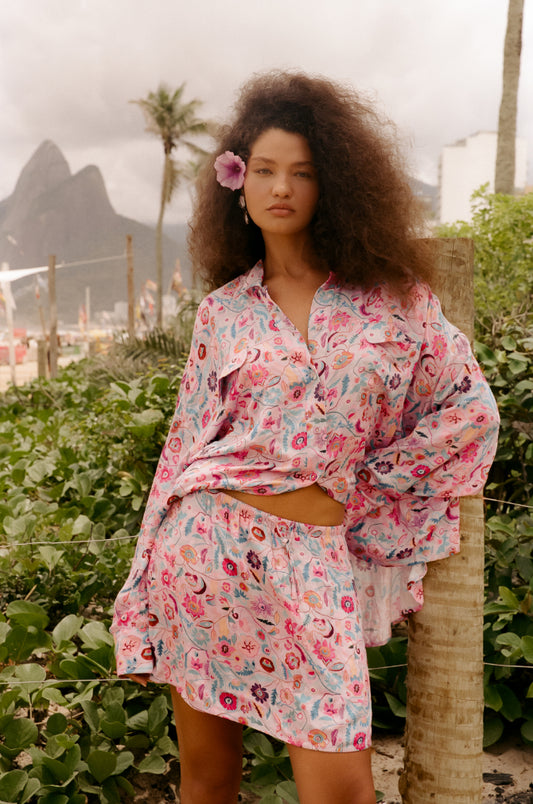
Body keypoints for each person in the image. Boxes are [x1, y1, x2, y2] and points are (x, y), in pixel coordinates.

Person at [111, 71, 499, 804]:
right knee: (207, 781)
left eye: (303, 172)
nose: (281, 188)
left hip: (311, 564)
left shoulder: (394, 300)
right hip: (204, 553)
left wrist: (364, 488)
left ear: (335, 184)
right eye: (263, 170)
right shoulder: (224, 312)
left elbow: (469, 411)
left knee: (342, 789)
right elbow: (182, 450)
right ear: (238, 183)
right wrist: (139, 594)